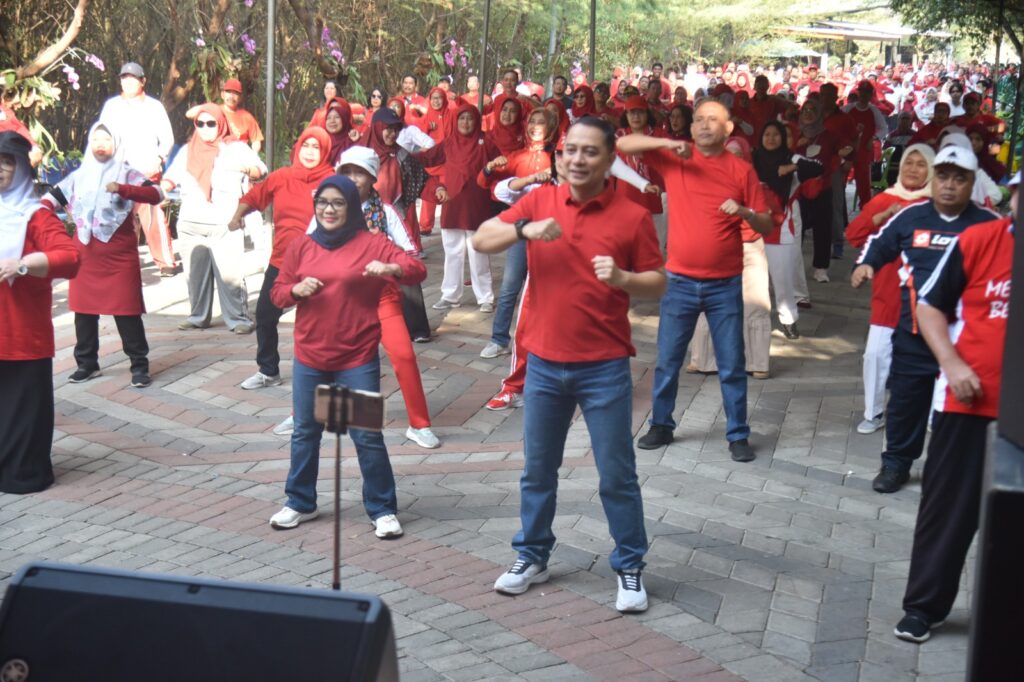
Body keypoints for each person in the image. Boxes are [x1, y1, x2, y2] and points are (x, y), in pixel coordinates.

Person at [472, 117, 666, 613]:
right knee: (538, 470)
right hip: (543, 364)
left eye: (589, 152)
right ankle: (532, 555)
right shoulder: (539, 201)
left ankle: (629, 565)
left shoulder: (631, 215)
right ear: (559, 158)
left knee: (616, 474)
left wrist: (623, 277)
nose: (577, 160)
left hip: (603, 368)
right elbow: (481, 238)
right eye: (569, 152)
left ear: (608, 160)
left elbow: (659, 282)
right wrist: (524, 228)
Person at [893, 172, 1016, 644]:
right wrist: (952, 362)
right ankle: (924, 608)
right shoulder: (979, 239)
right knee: (948, 511)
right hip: (968, 400)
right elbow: (928, 307)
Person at [268, 175, 426, 533]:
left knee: (366, 434)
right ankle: (300, 502)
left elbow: (418, 269)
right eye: (323, 202)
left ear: (352, 206)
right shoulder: (301, 247)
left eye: (338, 203)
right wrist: (295, 290)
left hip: (356, 357)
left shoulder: (373, 243)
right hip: (311, 357)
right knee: (305, 432)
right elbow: (276, 294)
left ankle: (382, 509)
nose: (329, 209)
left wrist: (392, 269)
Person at [618, 100, 771, 462]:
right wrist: (668, 145)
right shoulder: (676, 158)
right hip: (679, 281)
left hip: (725, 284)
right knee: (668, 360)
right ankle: (661, 424)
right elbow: (623, 145)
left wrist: (746, 212)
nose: (704, 126)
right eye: (699, 119)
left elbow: (765, 222)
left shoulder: (740, 170)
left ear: (728, 129)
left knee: (732, 363)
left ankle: (737, 434)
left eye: (713, 120)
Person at [852, 145, 999, 494]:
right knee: (905, 402)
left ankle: (952, 473)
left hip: (967, 341)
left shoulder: (989, 224)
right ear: (935, 179)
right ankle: (896, 464)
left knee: (963, 408)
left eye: (959, 179)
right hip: (914, 333)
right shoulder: (911, 216)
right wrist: (866, 264)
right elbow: (878, 242)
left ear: (971, 182)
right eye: (943, 176)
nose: (949, 185)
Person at [45, 123, 164, 388]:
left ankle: (139, 366)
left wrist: (124, 189)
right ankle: (87, 365)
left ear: (116, 144)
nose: (100, 143)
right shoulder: (78, 175)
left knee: (126, 312)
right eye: (96, 138)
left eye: (106, 139)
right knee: (83, 313)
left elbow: (157, 194)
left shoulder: (127, 173)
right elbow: (48, 202)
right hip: (84, 255)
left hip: (120, 257)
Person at [336, 146, 439, 449]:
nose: (353, 179)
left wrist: (392, 266)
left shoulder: (387, 213)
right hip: (343, 302)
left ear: (372, 178)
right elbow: (309, 249)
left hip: (383, 297)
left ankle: (419, 424)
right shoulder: (329, 207)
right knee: (323, 357)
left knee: (404, 356)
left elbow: (413, 260)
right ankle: (301, 414)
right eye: (348, 172)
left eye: (360, 173)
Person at [0, 132, 80, 493]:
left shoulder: (36, 216)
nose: (0, 170)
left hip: (21, 332)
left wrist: (24, 264)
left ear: (21, 170)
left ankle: (22, 473)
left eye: (7, 163)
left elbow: (71, 259)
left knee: (22, 411)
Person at [229, 127, 333, 392]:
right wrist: (237, 215)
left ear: (325, 152)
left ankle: (328, 374)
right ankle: (268, 370)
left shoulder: (333, 180)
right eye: (306, 145)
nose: (310, 152)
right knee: (265, 315)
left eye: (316, 147)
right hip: (282, 261)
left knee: (322, 324)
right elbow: (254, 197)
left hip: (319, 264)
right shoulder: (282, 176)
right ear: (297, 148)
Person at [845, 144, 935, 435]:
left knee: (931, 355)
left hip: (927, 297)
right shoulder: (886, 198)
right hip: (887, 292)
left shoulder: (938, 204)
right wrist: (883, 216)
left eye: (921, 164)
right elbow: (854, 234)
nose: (913, 169)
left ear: (932, 170)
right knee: (875, 354)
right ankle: (874, 412)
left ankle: (934, 414)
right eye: (909, 162)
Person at [161, 104, 266, 333]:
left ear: (220, 124)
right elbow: (169, 180)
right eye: (200, 123)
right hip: (191, 223)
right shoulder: (187, 150)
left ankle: (238, 319)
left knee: (231, 276)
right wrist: (157, 192)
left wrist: (249, 169)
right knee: (194, 275)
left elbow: (261, 170)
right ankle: (198, 316)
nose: (205, 128)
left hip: (225, 223)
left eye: (211, 123)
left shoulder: (235, 148)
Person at [686, 137, 772, 378]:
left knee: (756, 302)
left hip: (750, 246)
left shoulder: (755, 183)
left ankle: (757, 362)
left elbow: (767, 219)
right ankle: (703, 359)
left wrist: (746, 211)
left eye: (737, 153)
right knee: (707, 301)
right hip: (718, 247)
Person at [415, 103, 500, 312]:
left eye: (470, 118)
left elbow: (500, 167)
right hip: (452, 203)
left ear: (476, 120)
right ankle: (450, 295)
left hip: (477, 205)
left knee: (478, 249)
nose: (465, 122)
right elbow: (428, 157)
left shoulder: (487, 142)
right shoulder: (450, 142)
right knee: (452, 251)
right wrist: (402, 153)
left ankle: (485, 297)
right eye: (461, 118)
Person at [98, 62, 177, 277]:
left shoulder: (154, 106)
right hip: (118, 171)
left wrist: (159, 158)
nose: (128, 81)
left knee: (152, 215)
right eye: (124, 77)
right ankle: (118, 262)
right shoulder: (111, 106)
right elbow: (102, 135)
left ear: (143, 81)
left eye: (133, 78)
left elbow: (167, 138)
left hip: (146, 170)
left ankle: (165, 261)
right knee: (118, 217)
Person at [752, 121, 819, 340]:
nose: (770, 138)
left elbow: (819, 167)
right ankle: (753, 320)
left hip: (780, 230)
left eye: (776, 135)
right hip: (752, 227)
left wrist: (792, 167)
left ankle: (788, 320)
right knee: (752, 280)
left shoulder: (792, 158)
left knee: (782, 280)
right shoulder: (752, 158)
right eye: (767, 134)